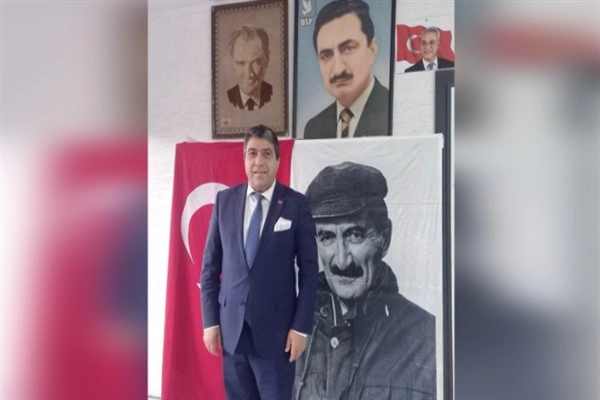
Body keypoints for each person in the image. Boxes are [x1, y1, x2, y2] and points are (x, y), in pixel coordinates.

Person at [294, 162, 436, 400]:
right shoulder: (293, 328)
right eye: (327, 237)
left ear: (385, 238)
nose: (342, 261)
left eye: (355, 235)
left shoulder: (428, 338)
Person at [200, 125, 319, 400]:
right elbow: (209, 269)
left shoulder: (296, 205)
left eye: (266, 153)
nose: (259, 161)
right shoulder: (224, 202)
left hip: (277, 337)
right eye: (252, 153)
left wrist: (301, 328)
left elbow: (310, 272)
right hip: (231, 333)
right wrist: (210, 322)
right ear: (244, 159)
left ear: (277, 160)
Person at [304, 0, 390, 139]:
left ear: (372, 50)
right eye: (326, 55)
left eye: (348, 49)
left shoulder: (393, 111)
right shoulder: (314, 128)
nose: (338, 70)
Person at [227, 25, 273, 110]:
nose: (249, 74)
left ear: (267, 59)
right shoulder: (225, 100)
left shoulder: (276, 96)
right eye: (241, 63)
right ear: (232, 62)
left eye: (256, 62)